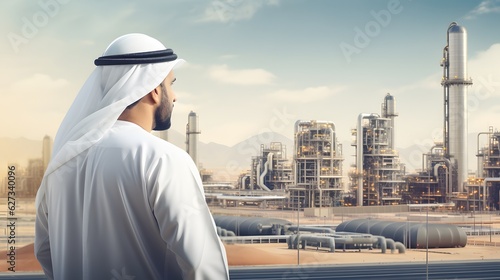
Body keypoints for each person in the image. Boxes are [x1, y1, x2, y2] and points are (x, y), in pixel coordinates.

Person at [34, 33, 229, 280]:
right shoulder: (163, 159)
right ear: (155, 90)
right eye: (171, 84)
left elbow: (44, 252)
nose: (175, 96)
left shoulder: (60, 165)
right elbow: (202, 264)